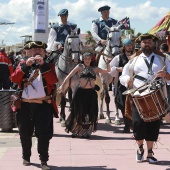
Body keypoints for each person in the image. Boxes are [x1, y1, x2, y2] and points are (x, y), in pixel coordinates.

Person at [119, 33, 170, 164]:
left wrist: (166, 74)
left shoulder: (162, 59)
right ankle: (140, 149)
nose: (147, 44)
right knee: (138, 124)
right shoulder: (133, 60)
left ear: (153, 44)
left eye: (149, 42)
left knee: (153, 126)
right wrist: (127, 80)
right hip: (138, 97)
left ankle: (150, 153)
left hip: (156, 97)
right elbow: (123, 76)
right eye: (144, 42)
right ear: (140, 44)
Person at [11, 41, 58, 170]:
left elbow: (53, 81)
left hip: (43, 105)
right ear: (28, 52)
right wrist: (25, 66)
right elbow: (14, 79)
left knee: (44, 134)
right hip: (25, 106)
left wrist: (43, 66)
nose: (36, 51)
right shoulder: (22, 64)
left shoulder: (48, 65)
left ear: (44, 52)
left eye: (39, 49)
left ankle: (43, 160)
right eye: (33, 49)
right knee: (24, 133)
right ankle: (26, 157)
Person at [58, 52, 111, 138]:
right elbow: (69, 75)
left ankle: (87, 132)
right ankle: (75, 131)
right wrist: (62, 85)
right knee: (78, 112)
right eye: (85, 59)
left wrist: (108, 63)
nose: (87, 60)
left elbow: (107, 71)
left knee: (90, 113)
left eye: (89, 59)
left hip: (91, 93)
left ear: (91, 59)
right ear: (83, 59)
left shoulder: (95, 69)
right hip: (81, 93)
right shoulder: (80, 67)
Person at [109, 38, 133, 133]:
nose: (130, 47)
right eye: (128, 45)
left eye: (131, 45)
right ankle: (127, 125)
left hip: (134, 85)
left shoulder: (136, 56)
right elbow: (110, 69)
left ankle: (133, 124)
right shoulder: (118, 57)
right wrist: (118, 69)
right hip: (122, 85)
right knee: (123, 105)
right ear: (124, 47)